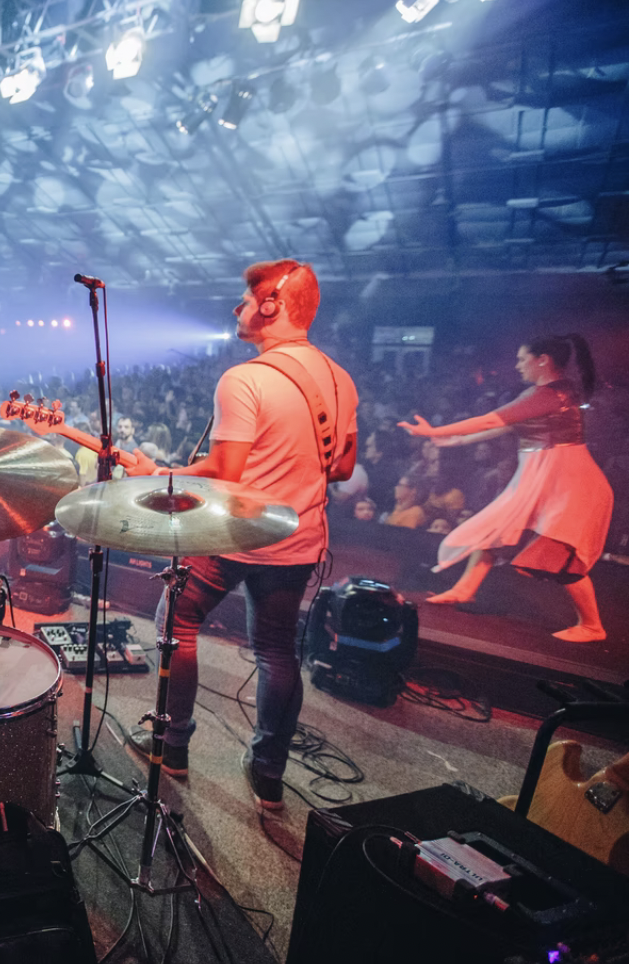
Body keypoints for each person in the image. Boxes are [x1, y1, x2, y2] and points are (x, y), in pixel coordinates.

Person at [119, 260, 358, 808]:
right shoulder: (340, 380)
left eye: (245, 300)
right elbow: (342, 468)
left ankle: (172, 747)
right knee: (276, 651)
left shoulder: (246, 378)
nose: (237, 307)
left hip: (234, 534)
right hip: (297, 539)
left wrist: (159, 472)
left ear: (272, 306)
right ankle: (268, 774)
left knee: (177, 621)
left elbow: (226, 473)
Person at [398, 334, 612, 642]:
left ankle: (592, 626)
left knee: (560, 557)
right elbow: (508, 425)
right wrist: (453, 441)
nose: (517, 365)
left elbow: (491, 421)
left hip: (570, 486)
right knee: (496, 529)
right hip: (543, 480)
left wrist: (435, 431)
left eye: (522, 359)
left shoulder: (552, 393)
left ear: (543, 360)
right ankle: (464, 589)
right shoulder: (542, 394)